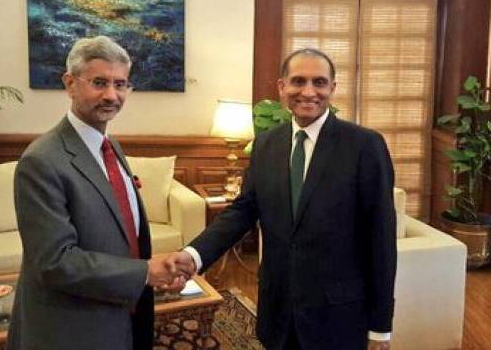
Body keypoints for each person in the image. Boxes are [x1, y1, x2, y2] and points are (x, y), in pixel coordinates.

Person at [168, 48, 397, 350]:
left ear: (332, 88)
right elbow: (243, 211)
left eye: (319, 82)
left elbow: (381, 239)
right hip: (278, 310)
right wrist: (194, 255)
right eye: (298, 81)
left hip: (338, 315)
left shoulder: (365, 146)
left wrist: (380, 328)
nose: (308, 91)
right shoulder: (266, 144)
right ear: (281, 87)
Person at [7, 36, 184, 350]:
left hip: (118, 313)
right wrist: (144, 272)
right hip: (72, 328)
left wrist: (151, 275)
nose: (111, 95)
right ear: (70, 84)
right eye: (99, 82)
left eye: (121, 84)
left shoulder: (109, 145)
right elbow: (55, 262)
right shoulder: (41, 161)